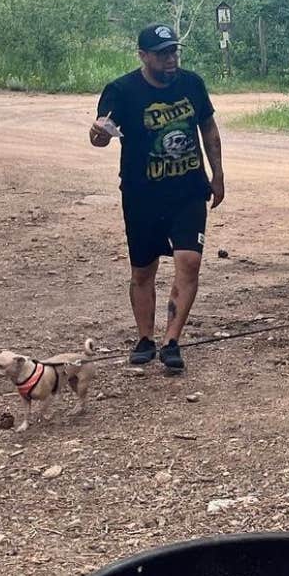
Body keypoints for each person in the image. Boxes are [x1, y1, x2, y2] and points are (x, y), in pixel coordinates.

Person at [89, 24, 224, 373]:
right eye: (162, 53)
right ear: (143, 55)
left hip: (189, 191)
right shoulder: (121, 90)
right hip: (142, 195)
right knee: (143, 270)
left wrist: (217, 173)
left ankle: (172, 341)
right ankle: (145, 338)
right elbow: (101, 134)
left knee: (189, 262)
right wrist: (98, 136)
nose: (171, 58)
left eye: (174, 51)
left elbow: (208, 127)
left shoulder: (192, 84)